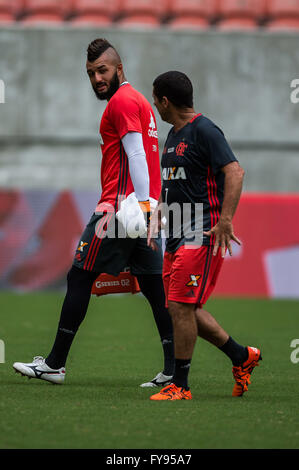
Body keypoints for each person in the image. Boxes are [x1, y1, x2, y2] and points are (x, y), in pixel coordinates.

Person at [13, 39, 175, 388]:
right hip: (140, 210)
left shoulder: (121, 102)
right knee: (153, 288)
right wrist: (150, 208)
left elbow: (134, 154)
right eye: (91, 73)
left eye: (102, 70)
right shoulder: (141, 103)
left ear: (120, 69)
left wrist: (143, 206)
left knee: (79, 277)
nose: (97, 79)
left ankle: (55, 365)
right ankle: (178, 368)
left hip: (117, 212)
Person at [148, 71, 262, 401]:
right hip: (176, 234)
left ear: (165, 100)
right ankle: (242, 356)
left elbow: (235, 172)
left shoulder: (205, 130)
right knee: (181, 307)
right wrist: (159, 209)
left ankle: (180, 386)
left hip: (200, 233)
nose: (155, 105)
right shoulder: (172, 135)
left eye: (156, 99)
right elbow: (173, 181)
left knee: (182, 307)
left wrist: (225, 220)